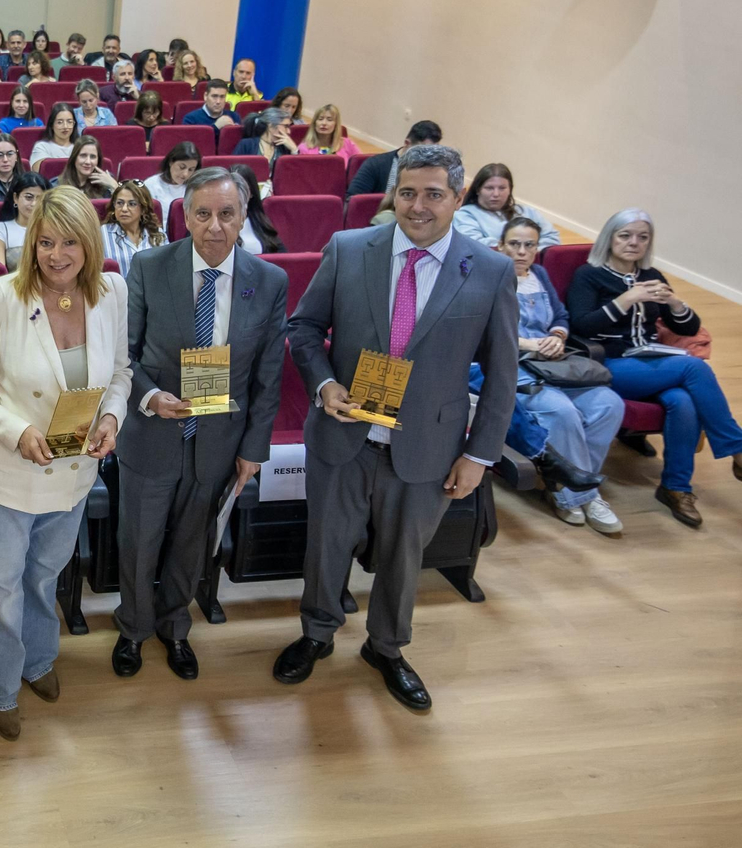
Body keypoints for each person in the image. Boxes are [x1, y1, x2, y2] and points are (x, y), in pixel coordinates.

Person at [276, 144, 517, 711]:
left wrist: (479, 456)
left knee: (406, 555)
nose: (418, 206)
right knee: (326, 544)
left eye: (434, 194)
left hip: (429, 444)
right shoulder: (350, 248)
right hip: (345, 433)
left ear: (458, 198)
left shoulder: (490, 270)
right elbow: (305, 328)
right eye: (408, 192)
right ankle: (316, 632)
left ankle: (386, 646)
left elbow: (504, 374)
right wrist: (323, 384)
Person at [0, 187, 131, 740]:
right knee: (1, 586)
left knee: (45, 576)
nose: (57, 255)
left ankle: (36, 661)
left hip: (75, 472)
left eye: (70, 242)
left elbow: (121, 372)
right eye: (46, 242)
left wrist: (112, 419)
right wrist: (19, 430)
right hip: (8, 474)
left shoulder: (112, 292)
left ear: (90, 243)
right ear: (30, 243)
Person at [114, 167, 288, 680]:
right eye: (203, 213)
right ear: (185, 215)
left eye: (227, 214)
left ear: (243, 215)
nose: (215, 226)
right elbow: (125, 354)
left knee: (192, 543)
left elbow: (268, 375)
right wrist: (148, 398)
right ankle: (131, 629)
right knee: (139, 541)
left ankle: (174, 628)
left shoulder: (269, 280)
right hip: (153, 432)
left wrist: (255, 448)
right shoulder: (148, 266)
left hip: (218, 439)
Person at [567, 209, 742, 528]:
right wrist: (626, 299)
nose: (634, 243)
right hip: (609, 364)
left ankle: (676, 488)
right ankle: (737, 448)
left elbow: (688, 329)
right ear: (610, 238)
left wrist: (676, 304)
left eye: (642, 237)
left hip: (651, 362)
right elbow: (581, 326)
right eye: (625, 235)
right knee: (692, 369)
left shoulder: (653, 276)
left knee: (683, 401)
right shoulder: (588, 275)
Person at [472, 218, 624, 532]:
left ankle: (577, 488)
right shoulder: (487, 278)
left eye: (530, 245)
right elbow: (480, 333)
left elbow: (560, 316)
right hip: (514, 365)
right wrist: (529, 343)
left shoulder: (539, 275)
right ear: (500, 246)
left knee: (609, 404)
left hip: (553, 363)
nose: (522, 251)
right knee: (562, 411)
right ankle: (575, 496)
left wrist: (557, 335)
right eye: (514, 244)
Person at [452, 163, 562, 248]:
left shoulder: (528, 212)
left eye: (502, 188)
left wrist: (529, 252)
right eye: (489, 188)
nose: (496, 194)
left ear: (510, 189)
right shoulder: (464, 214)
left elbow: (552, 238)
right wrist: (524, 247)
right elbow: (476, 245)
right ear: (478, 189)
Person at [347, 120, 443, 199]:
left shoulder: (436, 170)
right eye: (423, 151)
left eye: (434, 152)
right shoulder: (375, 164)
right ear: (407, 143)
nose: (428, 157)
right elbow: (352, 201)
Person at [101, 180, 165, 277]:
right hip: (116, 290)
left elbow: (167, 270)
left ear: (143, 209)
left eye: (132, 204)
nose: (124, 209)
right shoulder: (102, 234)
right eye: (120, 203)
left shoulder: (157, 234)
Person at [0, 172, 50, 272]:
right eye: (29, 197)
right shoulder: (1, 229)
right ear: (15, 198)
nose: (34, 203)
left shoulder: (52, 228)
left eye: (40, 199)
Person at [231, 164, 284, 255]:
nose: (237, 195)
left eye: (242, 189)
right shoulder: (219, 224)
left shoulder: (259, 221)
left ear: (251, 194)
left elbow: (280, 254)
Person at [235, 107, 299, 171]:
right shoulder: (246, 144)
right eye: (286, 126)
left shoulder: (284, 147)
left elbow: (295, 173)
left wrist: (294, 150)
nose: (289, 131)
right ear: (270, 126)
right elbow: (234, 170)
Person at [143, 140, 202, 209]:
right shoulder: (150, 185)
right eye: (182, 167)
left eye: (191, 169)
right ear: (171, 162)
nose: (185, 174)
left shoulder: (195, 188)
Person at [29, 103, 79, 172]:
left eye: (69, 122)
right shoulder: (41, 147)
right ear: (52, 125)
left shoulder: (80, 147)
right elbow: (39, 172)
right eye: (59, 122)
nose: (65, 126)